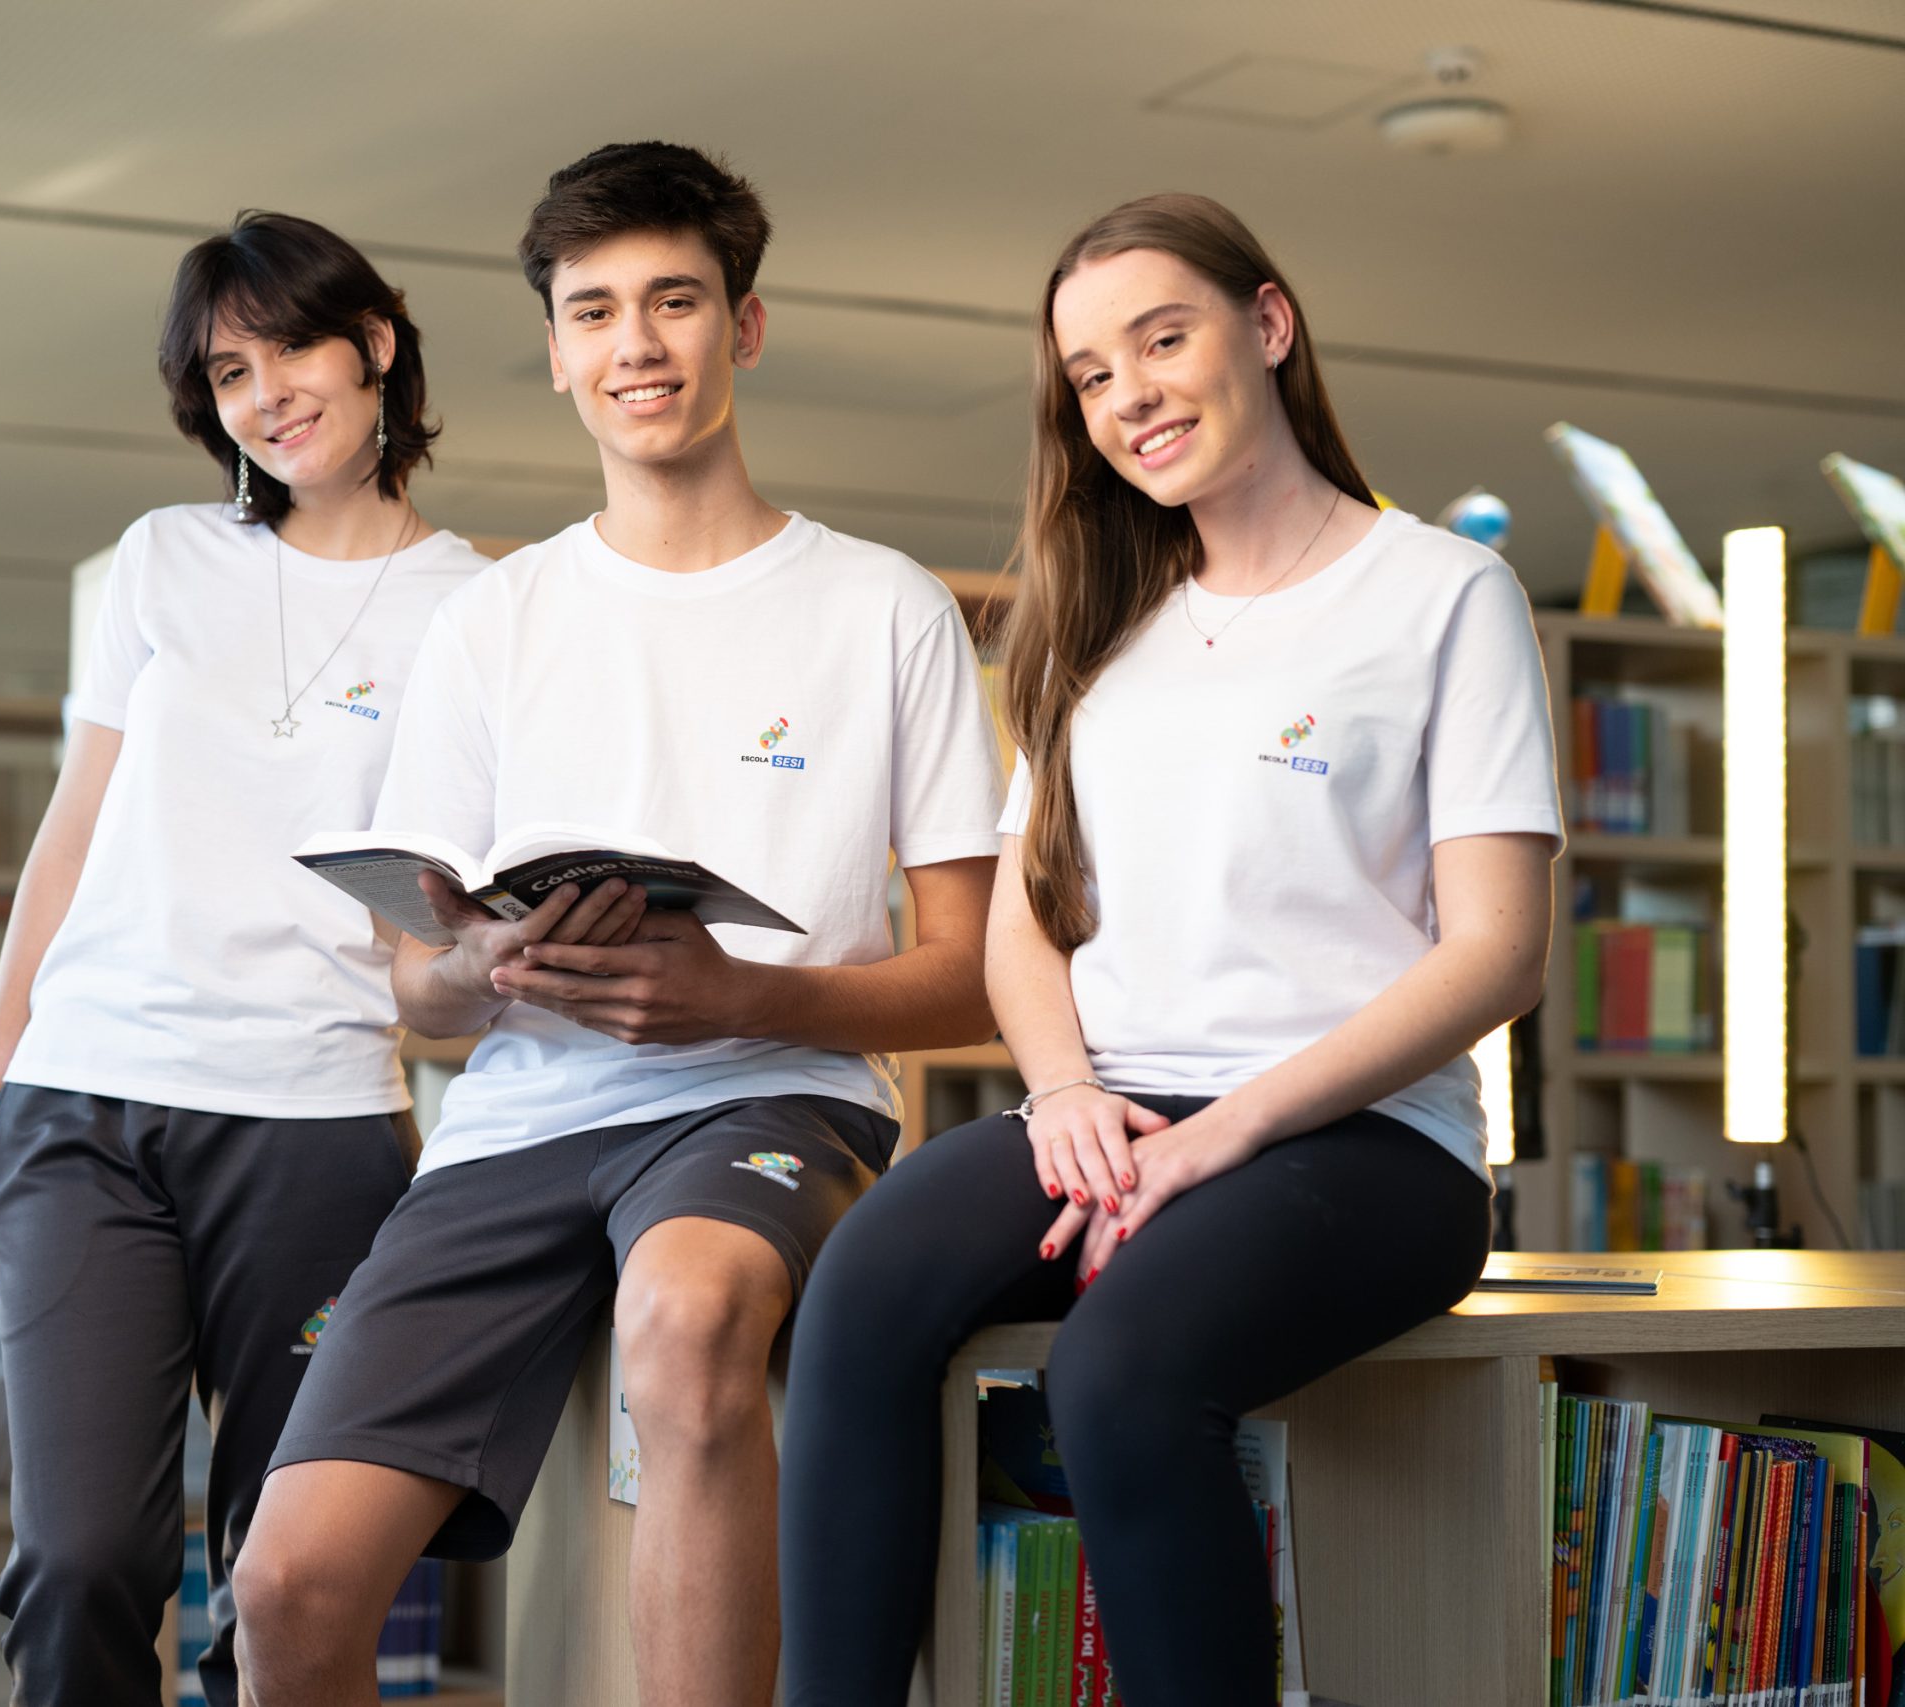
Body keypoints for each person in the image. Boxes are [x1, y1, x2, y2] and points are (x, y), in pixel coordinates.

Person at [231, 142, 1008, 1707]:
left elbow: (975, 979)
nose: (635, 346)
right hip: (514, 1127)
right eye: (596, 311)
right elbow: (422, 995)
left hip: (772, 1100)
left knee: (688, 1310)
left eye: (674, 301)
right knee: (286, 1585)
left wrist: (741, 1001)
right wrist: (469, 963)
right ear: (556, 346)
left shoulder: (885, 607)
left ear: (747, 326)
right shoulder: (493, 621)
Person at [776, 192, 1562, 1706]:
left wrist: (1233, 1133)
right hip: (1112, 1111)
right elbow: (1022, 921)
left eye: (1161, 337)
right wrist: (1063, 1091)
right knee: (855, 1299)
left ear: (1266, 328)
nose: (1127, 391)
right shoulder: (1099, 621)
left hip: (1363, 1146)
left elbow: (1500, 952)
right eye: (1089, 372)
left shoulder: (1442, 596)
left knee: (1121, 1382)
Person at [0, 210, 491, 1707]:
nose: (267, 395)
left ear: (376, 344)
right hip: (83, 1106)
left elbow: (436, 921)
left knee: (282, 1580)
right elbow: (75, 830)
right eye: (226, 372)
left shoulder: (480, 608)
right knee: (79, 1563)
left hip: (314, 1125)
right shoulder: (161, 559)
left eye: (293, 346)